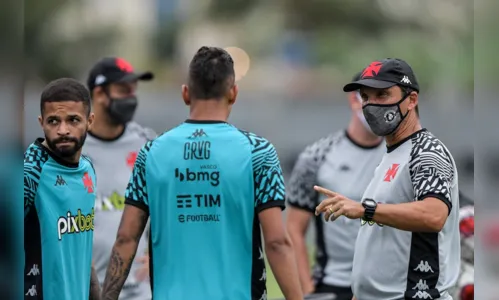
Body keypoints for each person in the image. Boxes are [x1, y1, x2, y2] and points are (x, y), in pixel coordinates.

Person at [100, 46, 302, 300]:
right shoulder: (258, 152)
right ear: (234, 93)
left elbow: (126, 238)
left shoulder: (151, 152)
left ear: (186, 93)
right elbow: (276, 243)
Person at [314, 58, 460, 300]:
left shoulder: (425, 152)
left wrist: (365, 209)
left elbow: (434, 215)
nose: (371, 105)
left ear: (411, 100)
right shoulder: (392, 154)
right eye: (366, 96)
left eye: (382, 95)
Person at [286, 72, 384, 300]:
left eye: (383, 97)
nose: (376, 107)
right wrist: (307, 292)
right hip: (333, 286)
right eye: (368, 97)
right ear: (354, 100)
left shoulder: (402, 156)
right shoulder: (316, 157)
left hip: (386, 286)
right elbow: (293, 230)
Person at [82, 57, 155, 300]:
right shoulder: (72, 146)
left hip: (138, 290)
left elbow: (166, 206)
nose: (131, 97)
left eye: (133, 90)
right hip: (83, 289)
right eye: (124, 90)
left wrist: (160, 252)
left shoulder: (146, 143)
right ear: (100, 94)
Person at [24, 78, 100, 300]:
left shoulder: (88, 169)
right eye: (53, 121)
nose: (63, 130)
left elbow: (83, 249)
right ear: (41, 123)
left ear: (90, 121)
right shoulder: (30, 173)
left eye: (73, 120)